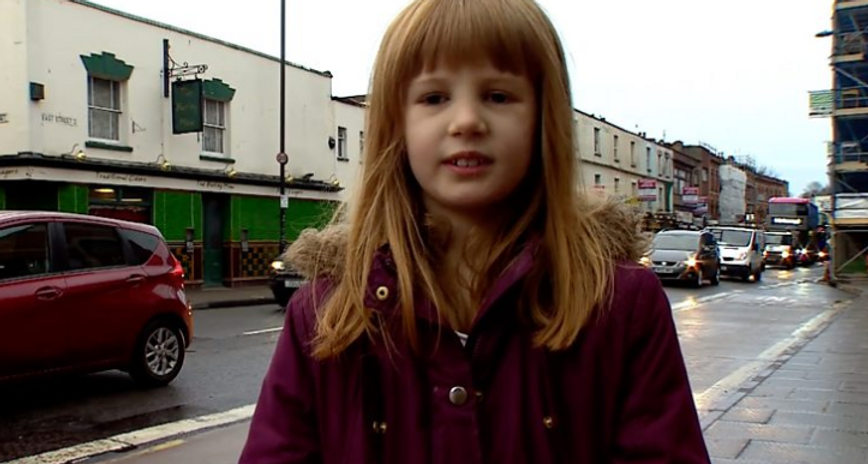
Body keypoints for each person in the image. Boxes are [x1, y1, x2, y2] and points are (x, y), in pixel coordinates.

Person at [239, 0, 711, 462]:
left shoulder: (622, 304)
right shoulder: (324, 313)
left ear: (542, 121)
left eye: (498, 96)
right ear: (395, 126)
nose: (466, 121)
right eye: (434, 97)